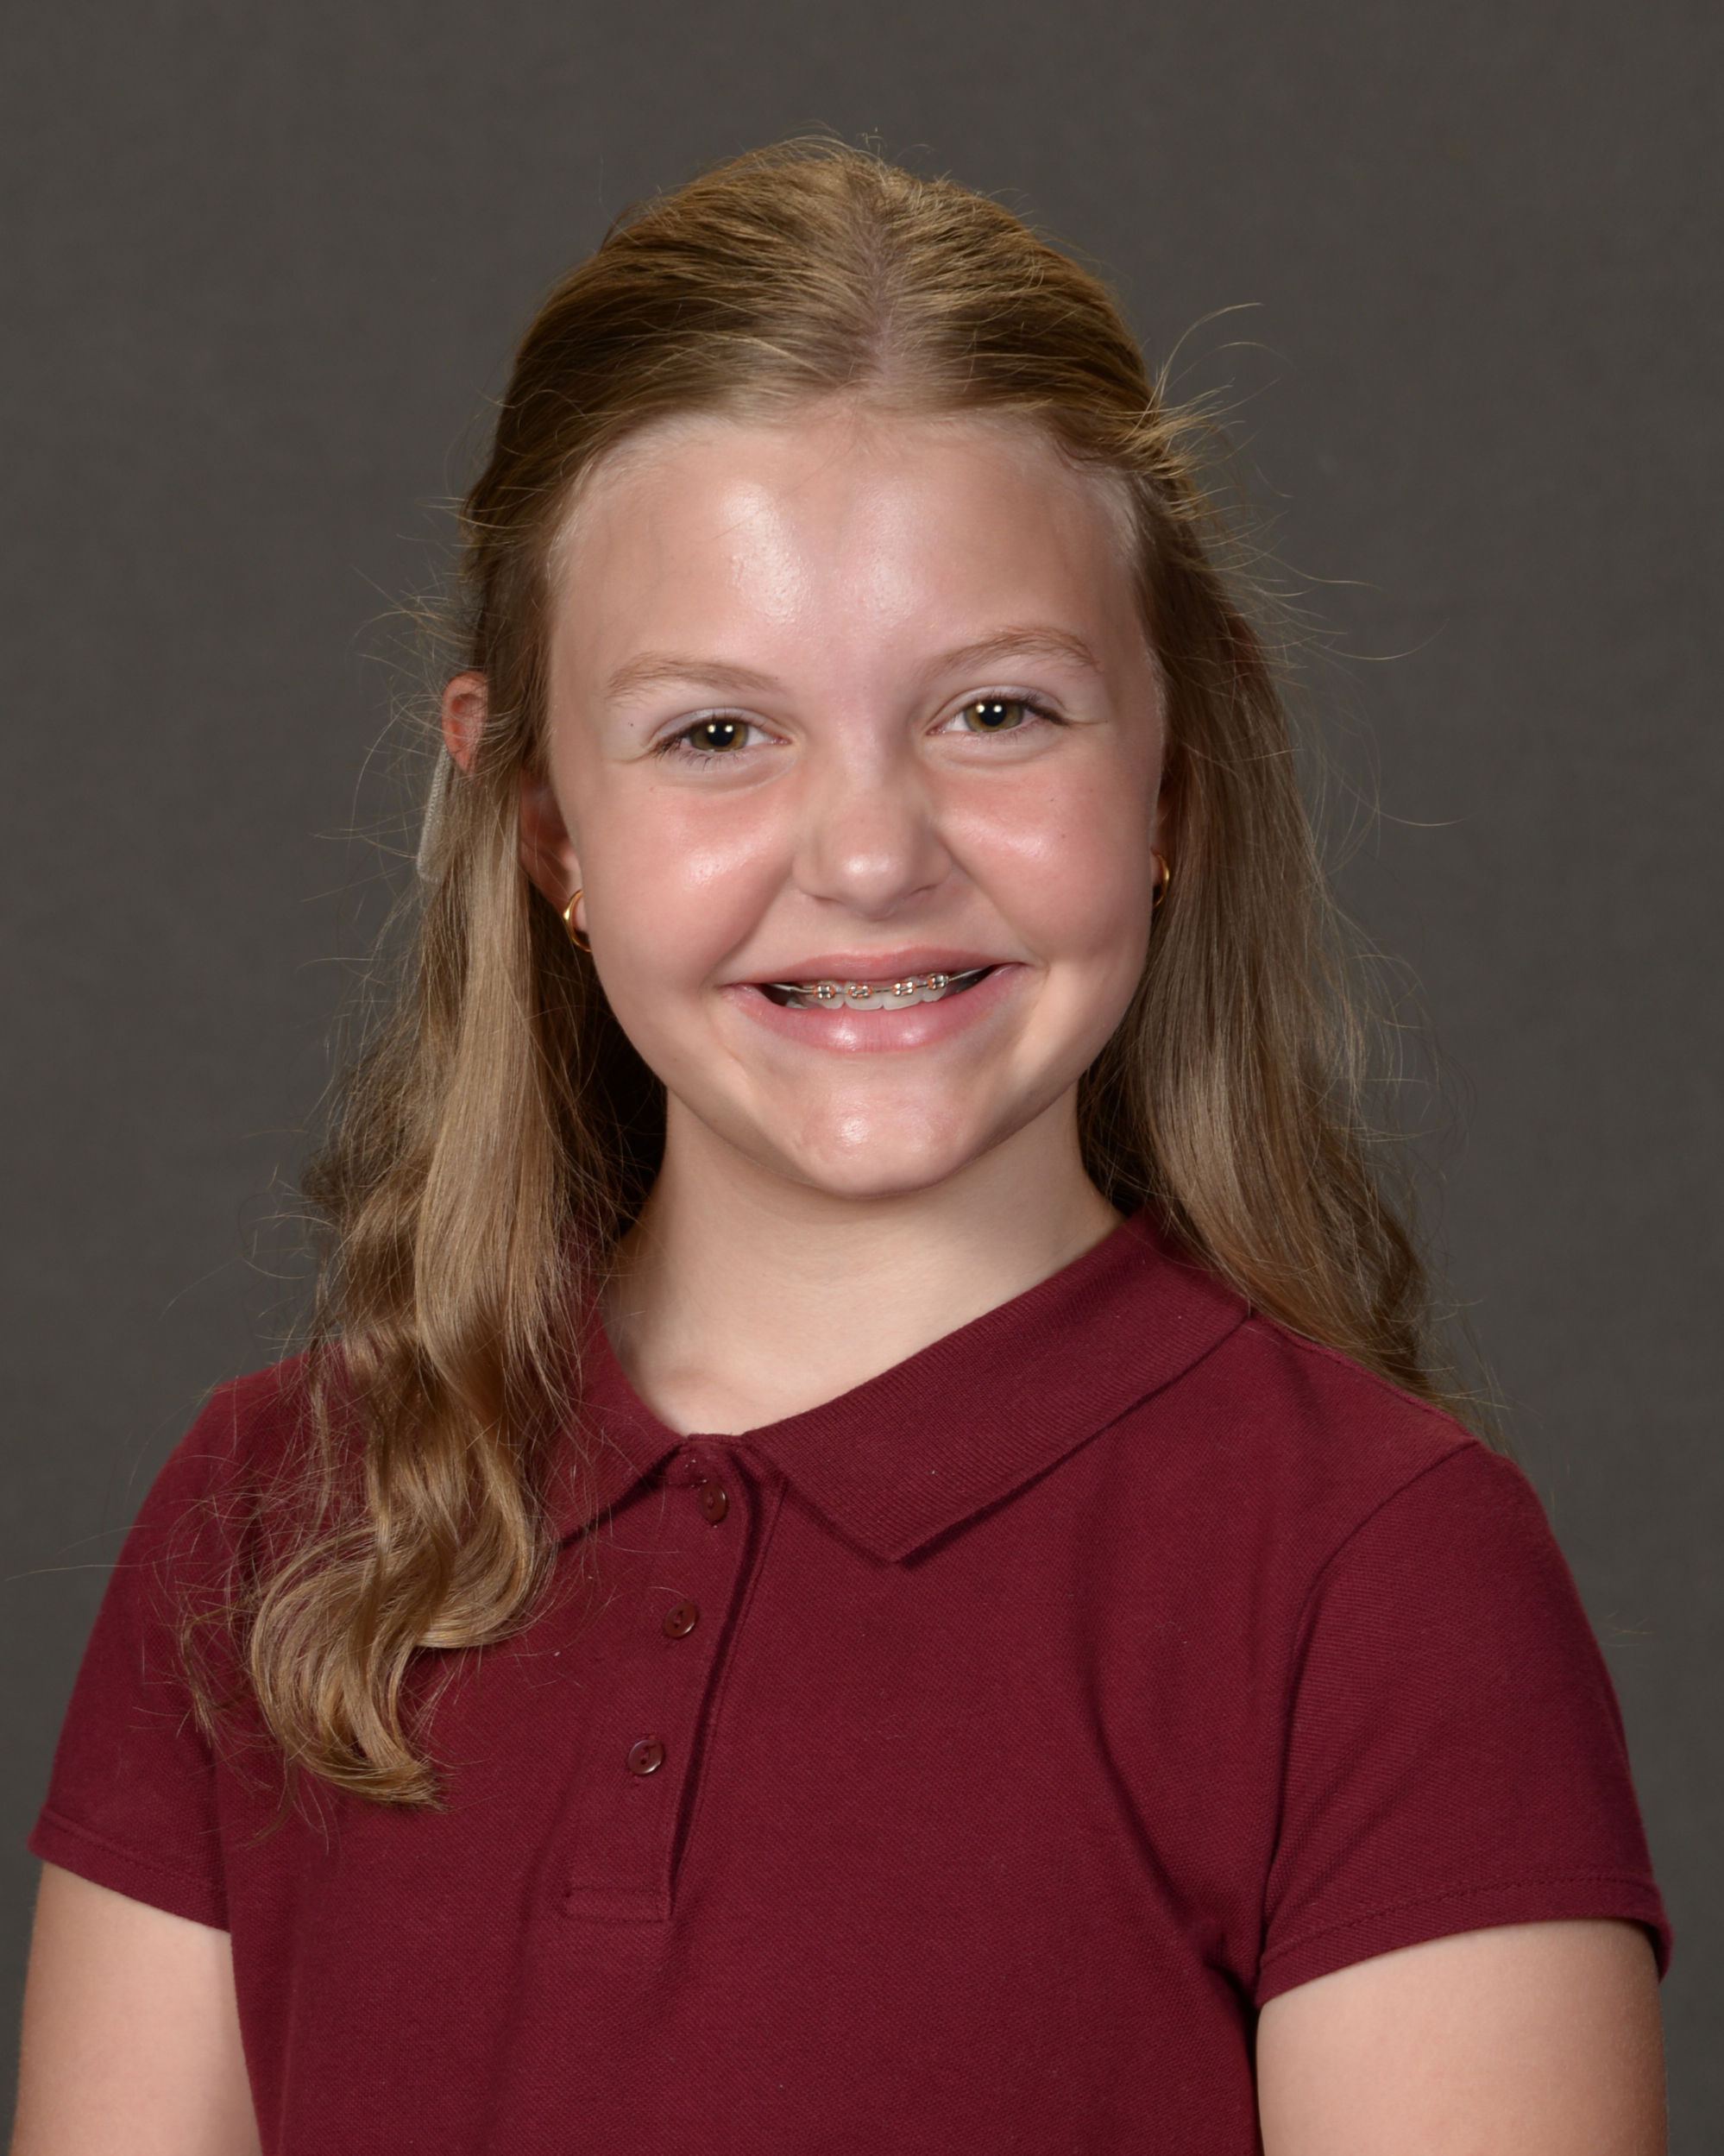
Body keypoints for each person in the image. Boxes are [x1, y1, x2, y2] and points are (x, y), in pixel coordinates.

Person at [12, 142, 1669, 2156]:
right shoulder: (273, 1522)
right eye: (716, 733)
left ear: (1176, 767)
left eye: (997, 711)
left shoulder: (1377, 1574)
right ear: (544, 825)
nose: (872, 856)